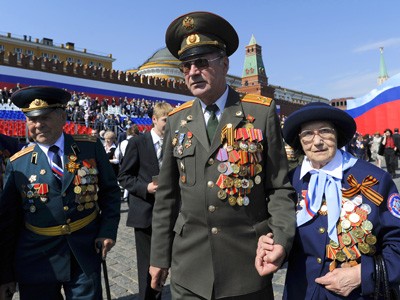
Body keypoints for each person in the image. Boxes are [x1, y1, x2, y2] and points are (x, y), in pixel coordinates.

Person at [149, 11, 296, 300]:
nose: (193, 72)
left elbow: (279, 188)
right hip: (189, 266)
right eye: (186, 66)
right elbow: (166, 196)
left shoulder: (259, 113)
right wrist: (158, 256)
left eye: (202, 62)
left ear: (225, 63)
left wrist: (281, 239)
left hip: (247, 264)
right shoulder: (178, 120)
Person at [256, 102, 400, 299]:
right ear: (299, 140)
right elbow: (281, 234)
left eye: (325, 131)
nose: (317, 142)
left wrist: (362, 274)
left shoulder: (374, 180)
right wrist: (273, 248)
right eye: (307, 134)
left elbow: (397, 245)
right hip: (302, 293)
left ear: (337, 134)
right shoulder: (289, 184)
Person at [0, 86, 121, 300]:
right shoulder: (18, 163)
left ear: (63, 116)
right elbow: (8, 222)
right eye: (31, 119)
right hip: (37, 259)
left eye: (44, 117)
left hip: (84, 253)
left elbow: (110, 192)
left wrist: (107, 230)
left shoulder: (90, 148)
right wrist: (5, 274)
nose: (38, 125)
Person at [118, 102, 173, 300]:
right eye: (166, 120)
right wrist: (145, 188)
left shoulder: (175, 141)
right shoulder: (137, 143)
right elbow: (124, 177)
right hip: (146, 213)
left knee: (169, 261)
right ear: (155, 120)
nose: (169, 123)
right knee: (147, 265)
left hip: (172, 213)